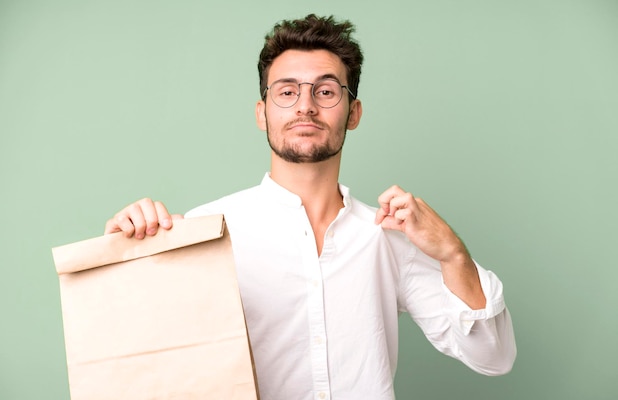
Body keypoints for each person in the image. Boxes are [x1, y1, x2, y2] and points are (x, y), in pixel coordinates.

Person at [105, 14, 516, 400]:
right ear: (262, 114)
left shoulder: (387, 236)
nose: (305, 106)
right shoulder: (206, 231)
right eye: (287, 91)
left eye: (325, 90)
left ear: (352, 113)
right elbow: (134, 359)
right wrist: (125, 257)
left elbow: (494, 358)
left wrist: (453, 254)